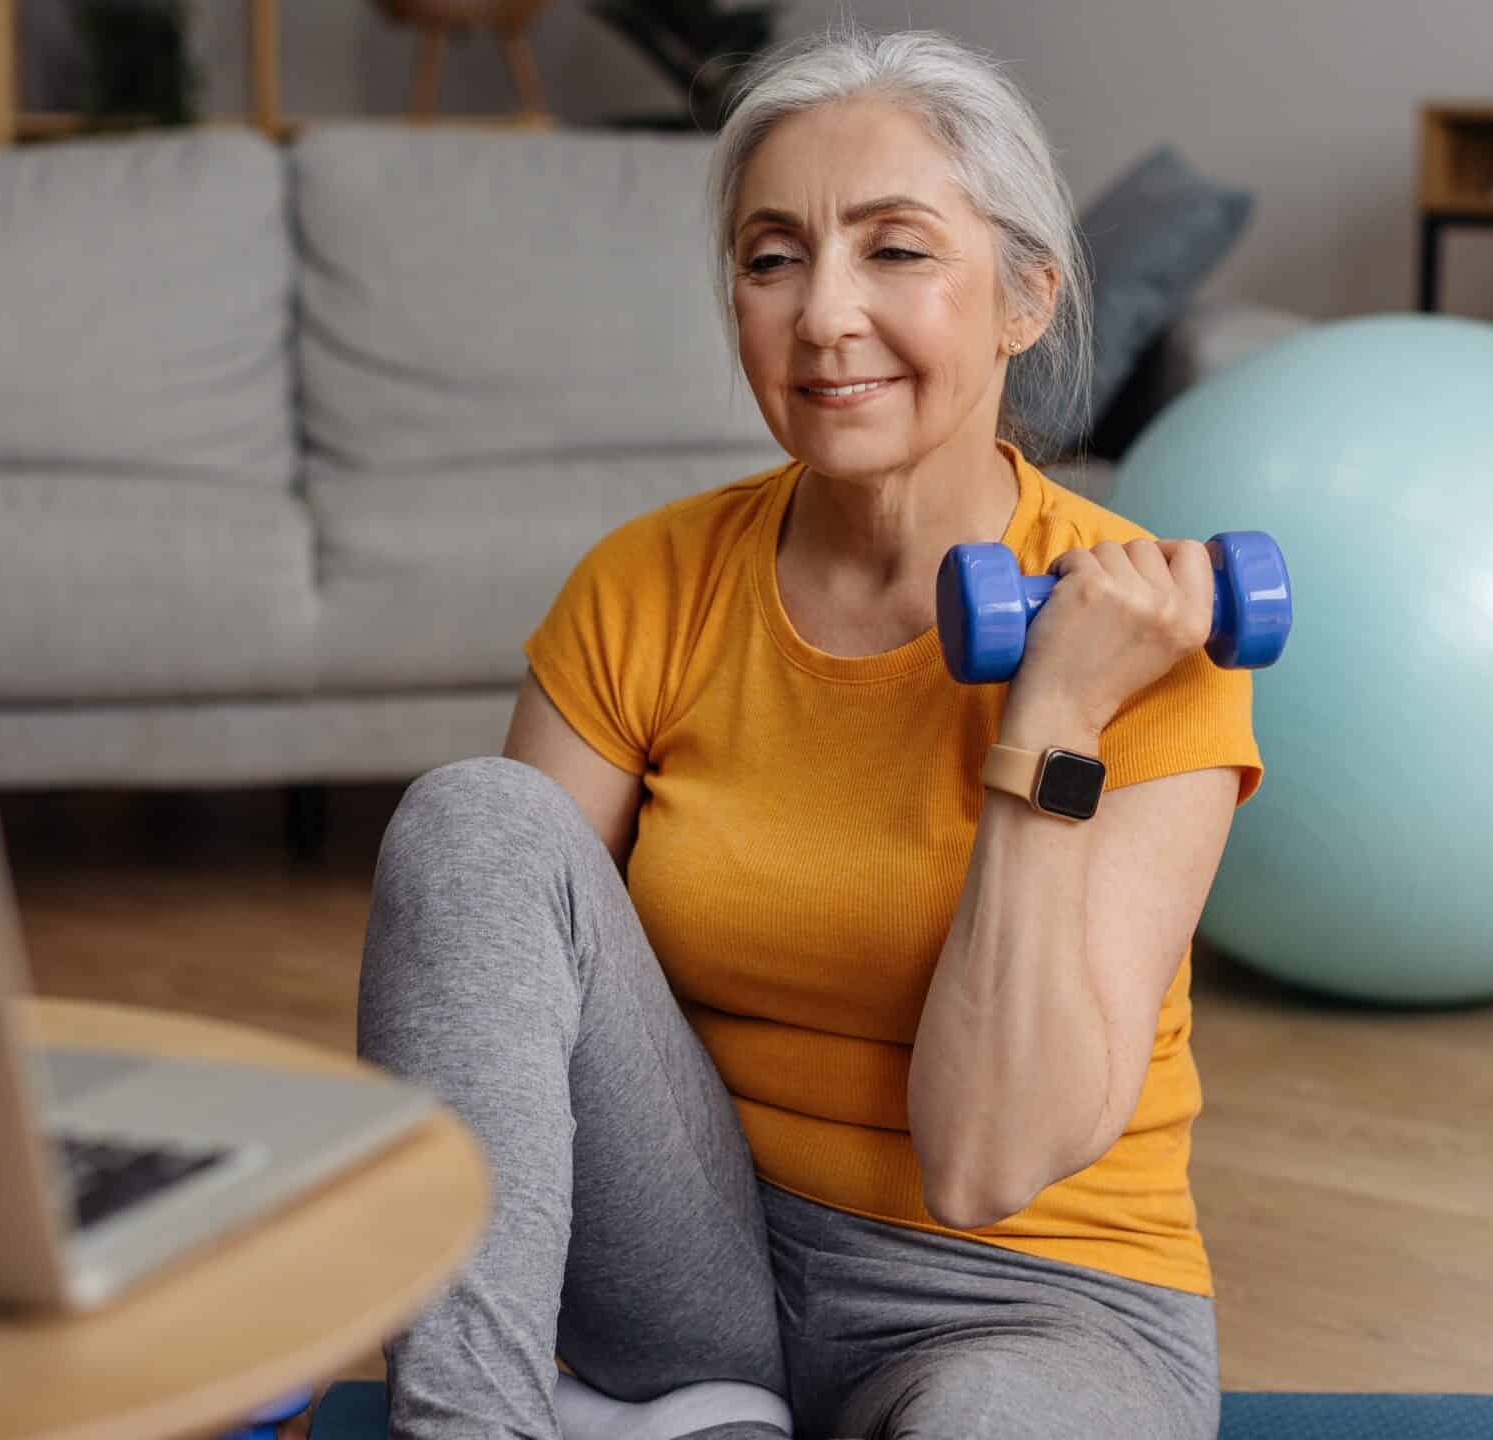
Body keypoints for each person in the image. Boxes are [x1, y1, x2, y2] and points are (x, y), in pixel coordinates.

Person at [358, 23, 1262, 1440]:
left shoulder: (1149, 640)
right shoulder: (647, 584)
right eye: (774, 257)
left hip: (1029, 1298)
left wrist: (1054, 720)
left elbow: (985, 1167)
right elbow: (514, 986)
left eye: (895, 251)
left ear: (1025, 296)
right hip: (695, 1266)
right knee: (477, 816)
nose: (824, 314)